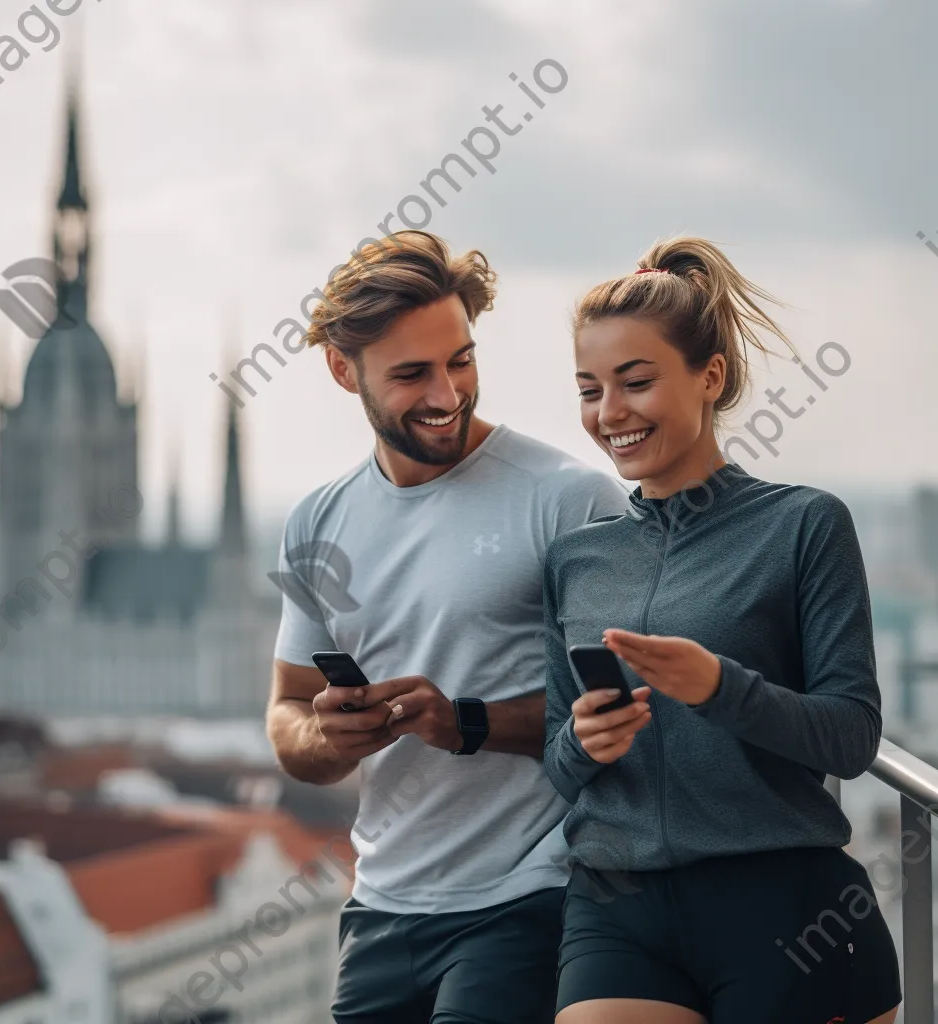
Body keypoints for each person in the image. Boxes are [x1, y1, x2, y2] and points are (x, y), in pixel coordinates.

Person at [266, 229, 629, 1024]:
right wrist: (330, 738)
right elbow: (287, 716)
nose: (447, 393)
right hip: (381, 902)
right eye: (412, 373)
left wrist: (465, 722)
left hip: (530, 894)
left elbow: (629, 714)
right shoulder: (315, 522)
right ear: (342, 369)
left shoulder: (570, 499)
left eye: (460, 359)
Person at [542, 237, 902, 1024]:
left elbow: (851, 737)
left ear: (710, 377)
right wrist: (583, 741)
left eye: (636, 382)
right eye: (589, 389)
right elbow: (556, 762)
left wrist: (719, 688)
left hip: (787, 907)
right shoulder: (576, 558)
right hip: (616, 909)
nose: (609, 414)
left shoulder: (804, 524)